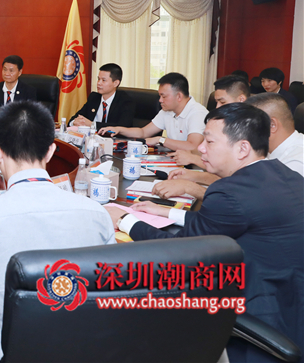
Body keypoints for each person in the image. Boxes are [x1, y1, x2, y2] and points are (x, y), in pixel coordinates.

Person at [109, 104, 303, 362]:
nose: (200, 148)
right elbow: (222, 222)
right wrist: (166, 212)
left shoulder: (229, 192)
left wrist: (125, 220)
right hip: (292, 300)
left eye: (209, 142)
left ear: (242, 148)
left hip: (262, 315)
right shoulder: (283, 174)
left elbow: (179, 253)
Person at [0, 100, 115, 362]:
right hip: (83, 353)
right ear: (51, 151)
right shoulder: (97, 214)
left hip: (11, 356)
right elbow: (111, 288)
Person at [99, 72, 208, 151]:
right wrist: (119, 129)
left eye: (163, 96)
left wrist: (160, 140)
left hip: (193, 166)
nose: (160, 100)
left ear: (179, 96)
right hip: (174, 160)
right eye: (159, 96)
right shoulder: (167, 111)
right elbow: (143, 132)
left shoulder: (197, 113)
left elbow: (193, 146)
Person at [169, 75, 251, 169]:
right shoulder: (224, 122)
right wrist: (190, 152)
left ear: (241, 99)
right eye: (217, 102)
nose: (217, 107)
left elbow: (230, 170)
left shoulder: (250, 127)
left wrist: (193, 158)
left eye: (222, 102)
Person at [247, 93, 303, 176]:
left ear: (272, 125)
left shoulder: (295, 163)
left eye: (249, 125)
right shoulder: (270, 149)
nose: (244, 131)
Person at [70, 63, 135, 127]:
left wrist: (92, 124)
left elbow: (123, 127)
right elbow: (75, 118)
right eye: (98, 79)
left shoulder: (126, 102)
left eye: (103, 80)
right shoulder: (94, 97)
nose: (99, 83)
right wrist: (74, 122)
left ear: (115, 83)